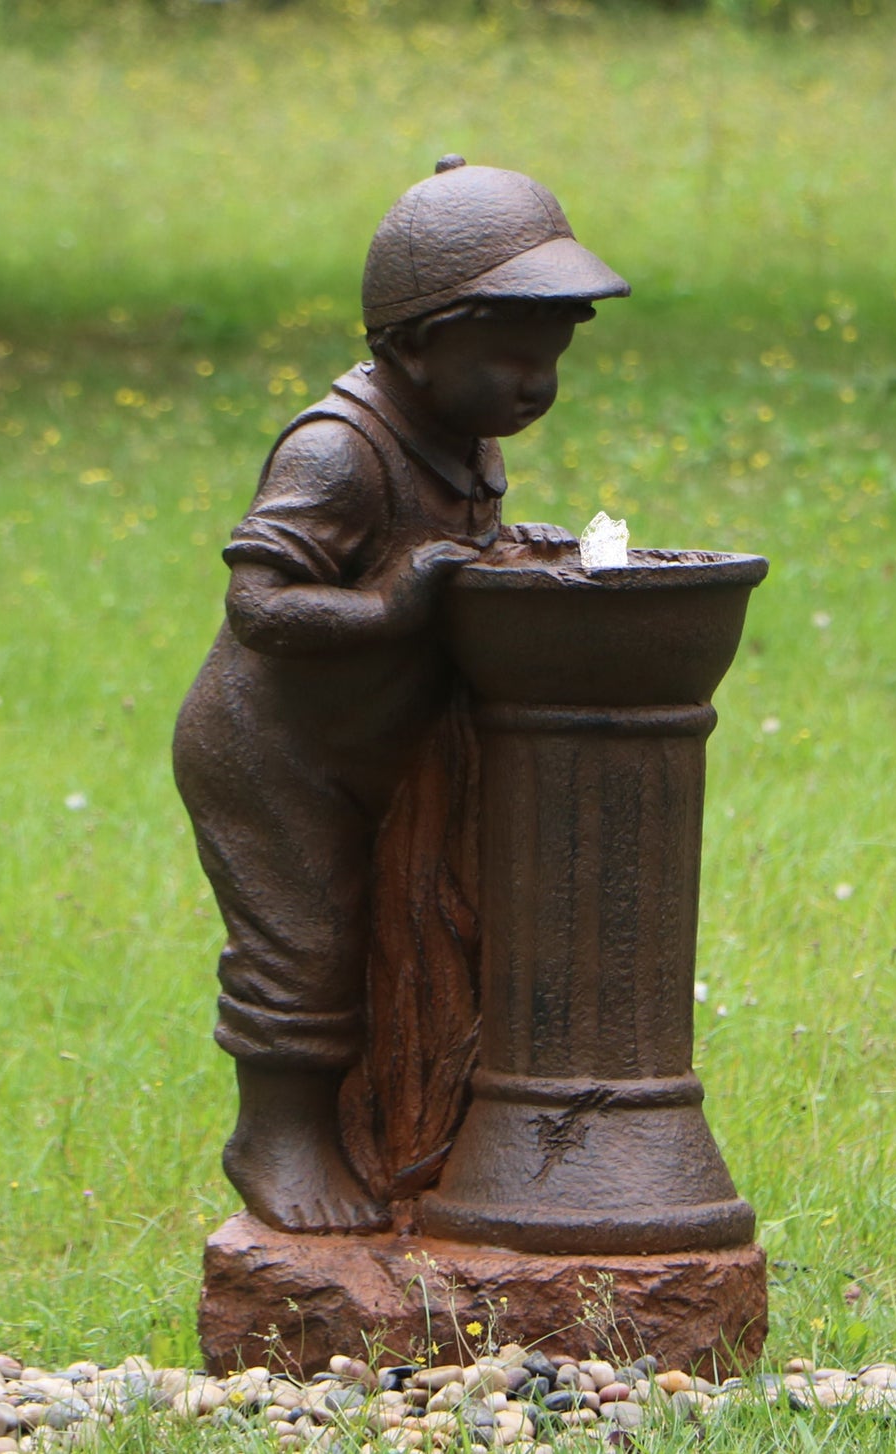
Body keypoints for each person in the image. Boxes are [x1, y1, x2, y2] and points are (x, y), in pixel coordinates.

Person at [173, 157, 628, 1233]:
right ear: (414, 342)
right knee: (307, 943)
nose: (535, 384)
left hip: (367, 745)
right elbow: (260, 605)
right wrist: (384, 608)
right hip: (271, 752)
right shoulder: (337, 451)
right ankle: (274, 1136)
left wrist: (501, 554)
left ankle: (393, 1134)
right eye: (511, 353)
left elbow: (442, 548)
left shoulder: (459, 436)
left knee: (404, 935)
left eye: (552, 355)